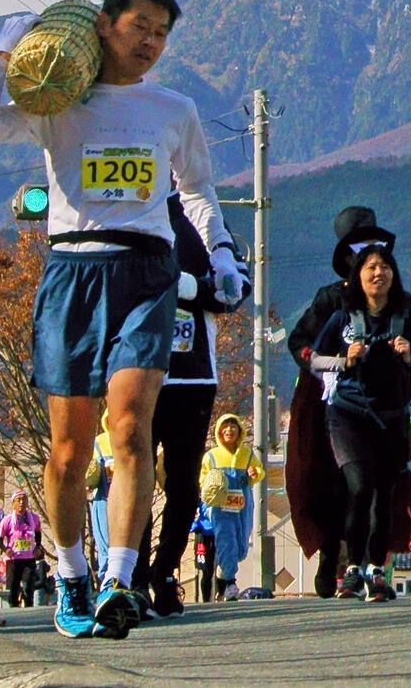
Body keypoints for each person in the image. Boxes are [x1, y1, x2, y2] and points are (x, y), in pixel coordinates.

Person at [0, 0, 246, 639]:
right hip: (72, 271)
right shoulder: (61, 103)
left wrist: (224, 255)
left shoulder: (173, 109)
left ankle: (121, 577)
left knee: (129, 429)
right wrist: (3, 52)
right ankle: (72, 576)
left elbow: (197, 188)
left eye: (162, 32)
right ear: (105, 25)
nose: (150, 41)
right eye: (140, 25)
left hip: (148, 270)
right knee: (66, 449)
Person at [308, 242, 411, 602]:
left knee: (384, 494)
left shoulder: (406, 317)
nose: (378, 273)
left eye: (384, 267)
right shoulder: (343, 318)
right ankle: (352, 569)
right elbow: (315, 360)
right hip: (348, 415)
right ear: (358, 276)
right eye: (370, 267)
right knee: (359, 485)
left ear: (393, 275)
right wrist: (344, 359)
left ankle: (377, 570)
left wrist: (410, 356)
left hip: (392, 418)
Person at [136, 193, 248, 617]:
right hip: (136, 373)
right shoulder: (125, 216)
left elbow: (234, 290)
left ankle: (164, 572)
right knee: (137, 475)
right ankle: (130, 575)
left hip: (192, 375)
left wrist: (184, 286)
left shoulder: (201, 223)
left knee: (183, 481)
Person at [286, 206, 391, 597]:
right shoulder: (331, 298)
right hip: (327, 399)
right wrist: (331, 363)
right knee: (330, 481)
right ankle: (332, 552)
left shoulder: (394, 302)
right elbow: (299, 343)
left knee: (373, 483)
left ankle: (362, 562)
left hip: (379, 401)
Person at [198, 415, 264, 600]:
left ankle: (223, 572)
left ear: (239, 431)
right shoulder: (211, 456)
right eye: (225, 427)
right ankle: (230, 583)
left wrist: (254, 473)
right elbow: (202, 480)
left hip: (243, 506)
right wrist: (211, 484)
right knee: (227, 542)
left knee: (241, 546)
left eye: (233, 426)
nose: (229, 430)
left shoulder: (247, 454)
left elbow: (259, 472)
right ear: (219, 431)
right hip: (220, 508)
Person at [0, 489, 45, 608]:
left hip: (29, 558)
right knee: (13, 587)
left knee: (28, 586)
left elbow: (38, 534)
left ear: (27, 503)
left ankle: (28, 608)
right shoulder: (7, 520)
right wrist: (6, 549)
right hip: (14, 559)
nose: (21, 502)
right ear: (13, 504)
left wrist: (38, 547)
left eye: (24, 500)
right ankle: (14, 610)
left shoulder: (34, 519)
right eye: (18, 500)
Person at [85, 412, 116, 557]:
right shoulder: (98, 443)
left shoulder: (134, 441)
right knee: (106, 552)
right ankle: (106, 578)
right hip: (103, 502)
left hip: (128, 504)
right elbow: (87, 475)